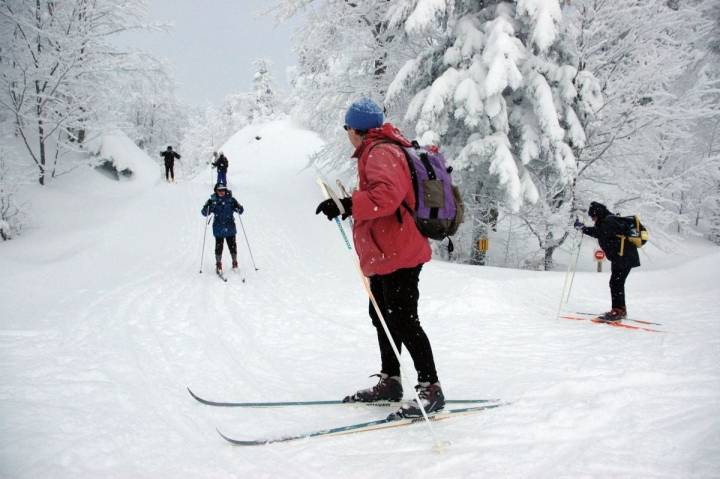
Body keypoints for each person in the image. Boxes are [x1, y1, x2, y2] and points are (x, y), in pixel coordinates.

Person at [315, 97, 444, 418]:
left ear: (354, 129)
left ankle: (431, 388)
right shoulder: (380, 149)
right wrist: (349, 203)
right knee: (383, 317)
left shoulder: (380, 151)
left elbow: (386, 198)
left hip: (399, 250)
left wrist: (346, 204)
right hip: (386, 251)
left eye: (347, 127)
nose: (346, 133)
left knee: (403, 319)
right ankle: (391, 381)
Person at [574, 201, 640, 321]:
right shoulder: (609, 220)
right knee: (616, 283)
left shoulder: (609, 221)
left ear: (598, 214)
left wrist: (582, 228)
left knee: (615, 283)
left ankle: (618, 311)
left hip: (623, 257)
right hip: (622, 257)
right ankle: (620, 310)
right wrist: (583, 228)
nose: (593, 220)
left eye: (593, 217)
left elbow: (599, 233)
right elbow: (599, 231)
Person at [201, 183, 244, 273]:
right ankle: (218, 264)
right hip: (218, 228)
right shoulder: (213, 201)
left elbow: (240, 211)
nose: (222, 192)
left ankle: (235, 262)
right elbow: (204, 213)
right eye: (220, 190)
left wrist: (239, 207)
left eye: (223, 190)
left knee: (232, 246)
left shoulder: (231, 200)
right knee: (219, 247)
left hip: (230, 227)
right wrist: (208, 206)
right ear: (216, 191)